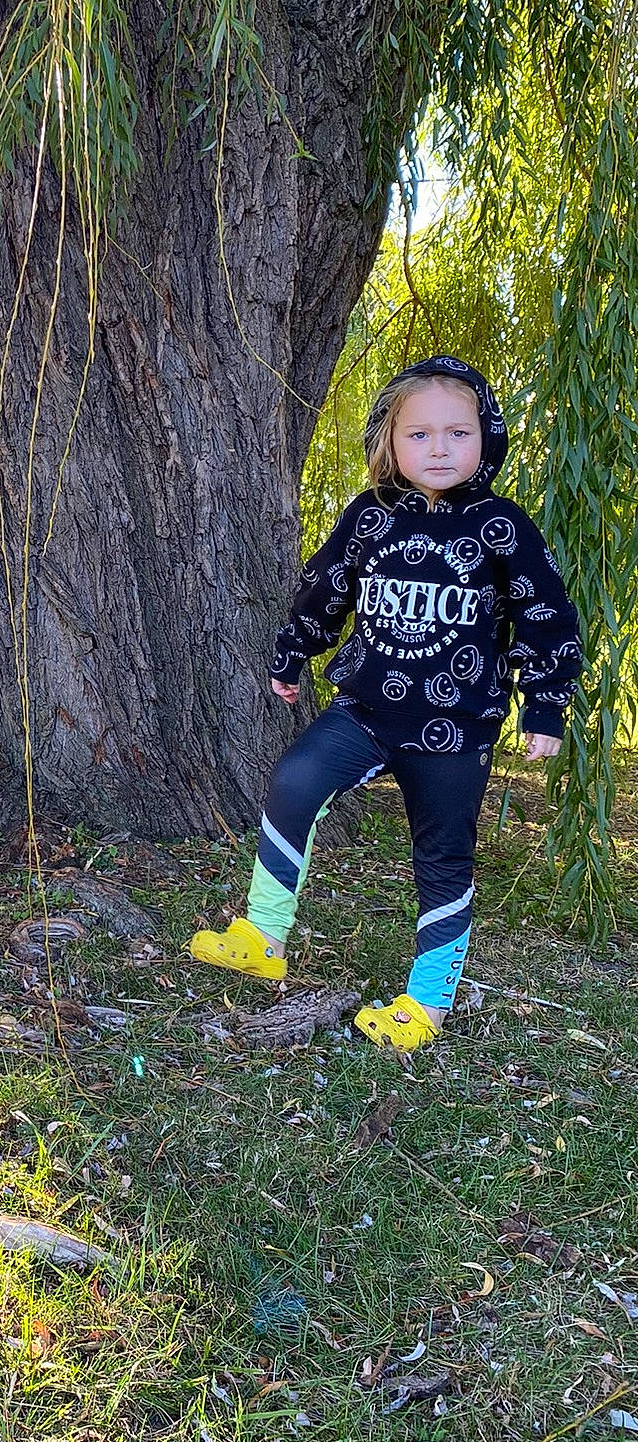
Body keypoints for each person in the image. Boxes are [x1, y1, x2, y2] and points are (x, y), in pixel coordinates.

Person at [190, 356, 583, 1053]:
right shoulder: (371, 516)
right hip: (365, 710)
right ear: (390, 442)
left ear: (485, 438)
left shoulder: (502, 527)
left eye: (458, 434)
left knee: (443, 855)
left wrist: (546, 707)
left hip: (455, 728)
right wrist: (293, 651)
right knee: (294, 781)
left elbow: (545, 615)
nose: (439, 449)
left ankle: (426, 1001)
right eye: (420, 435)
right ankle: (261, 933)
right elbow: (326, 583)